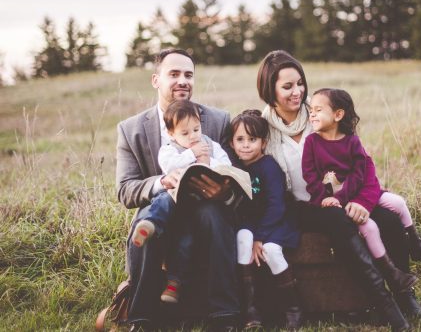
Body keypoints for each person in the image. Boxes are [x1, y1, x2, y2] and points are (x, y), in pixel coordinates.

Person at [256, 50, 413, 332]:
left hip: (346, 194)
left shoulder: (322, 114)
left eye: (300, 83)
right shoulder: (264, 128)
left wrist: (363, 202)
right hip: (304, 206)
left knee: (388, 219)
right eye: (287, 86)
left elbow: (363, 166)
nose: (298, 92)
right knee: (337, 220)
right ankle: (384, 303)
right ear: (270, 89)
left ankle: (405, 295)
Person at [116, 48, 240, 332]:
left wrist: (223, 190)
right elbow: (125, 189)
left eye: (188, 74)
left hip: (207, 204)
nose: (183, 80)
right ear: (156, 80)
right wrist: (162, 182)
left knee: (213, 214)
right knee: (147, 220)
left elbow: (232, 171)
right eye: (174, 74)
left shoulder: (218, 120)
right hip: (162, 204)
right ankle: (142, 318)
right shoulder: (131, 129)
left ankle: (225, 316)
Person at [302, 88, 421, 294]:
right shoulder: (312, 142)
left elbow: (361, 173)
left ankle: (416, 243)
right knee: (370, 227)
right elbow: (310, 176)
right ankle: (391, 272)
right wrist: (325, 198)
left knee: (398, 203)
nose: (311, 114)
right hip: (332, 203)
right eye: (310, 109)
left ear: (338, 115)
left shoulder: (351, 141)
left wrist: (346, 197)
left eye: (318, 109)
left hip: (355, 195)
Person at [130, 99, 232, 305]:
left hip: (198, 203)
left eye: (196, 129)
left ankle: (174, 284)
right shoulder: (169, 149)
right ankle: (150, 224)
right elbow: (169, 165)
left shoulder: (210, 145)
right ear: (171, 134)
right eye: (185, 133)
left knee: (185, 241)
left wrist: (208, 161)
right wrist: (191, 154)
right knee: (163, 200)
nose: (194, 136)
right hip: (175, 199)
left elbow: (226, 165)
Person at [231, 110, 302, 330]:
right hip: (251, 223)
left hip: (276, 221)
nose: (245, 145)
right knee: (242, 238)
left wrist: (260, 237)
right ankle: (250, 309)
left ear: (263, 142)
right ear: (232, 143)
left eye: (252, 140)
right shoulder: (235, 168)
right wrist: (252, 234)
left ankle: (293, 308)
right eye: (240, 139)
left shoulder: (268, 166)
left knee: (270, 250)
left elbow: (276, 205)